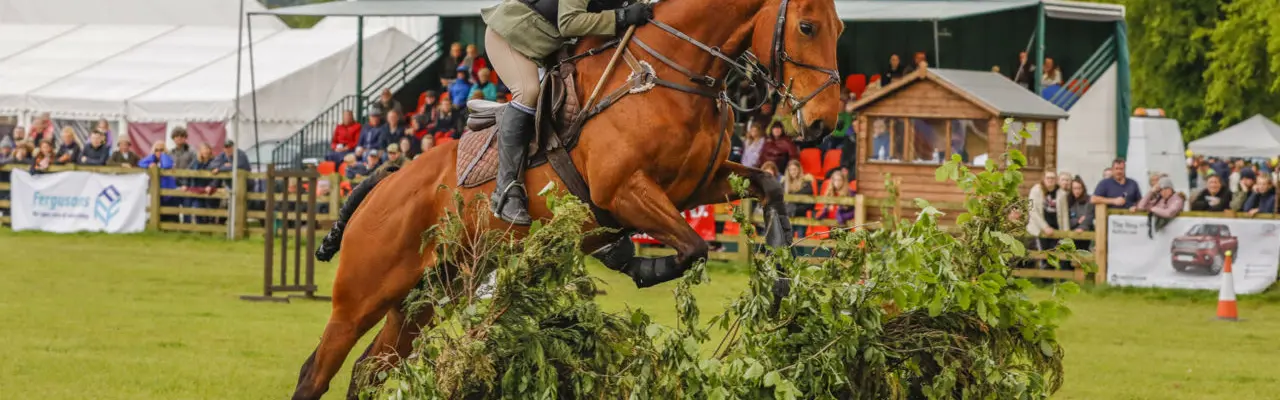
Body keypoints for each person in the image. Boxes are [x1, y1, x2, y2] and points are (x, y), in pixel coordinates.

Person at [479, 0, 653, 224]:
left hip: (546, 47)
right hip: (510, 37)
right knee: (528, 92)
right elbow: (569, 22)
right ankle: (506, 191)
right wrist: (621, 17)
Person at [1028, 171, 1069, 256]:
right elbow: (1032, 211)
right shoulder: (1036, 190)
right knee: (1043, 256)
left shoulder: (1061, 193)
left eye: (1052, 178)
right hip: (1040, 229)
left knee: (1058, 256)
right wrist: (1045, 227)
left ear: (1056, 180)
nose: (1050, 180)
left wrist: (1066, 234)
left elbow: (1065, 215)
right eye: (1048, 178)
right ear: (1044, 179)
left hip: (1057, 230)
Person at [781, 160, 815, 237]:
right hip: (788, 217)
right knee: (788, 239)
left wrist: (796, 208)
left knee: (801, 238)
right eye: (790, 170)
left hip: (801, 215)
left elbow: (810, 202)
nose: (792, 172)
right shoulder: (784, 184)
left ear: (799, 169)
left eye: (794, 169)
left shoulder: (806, 183)